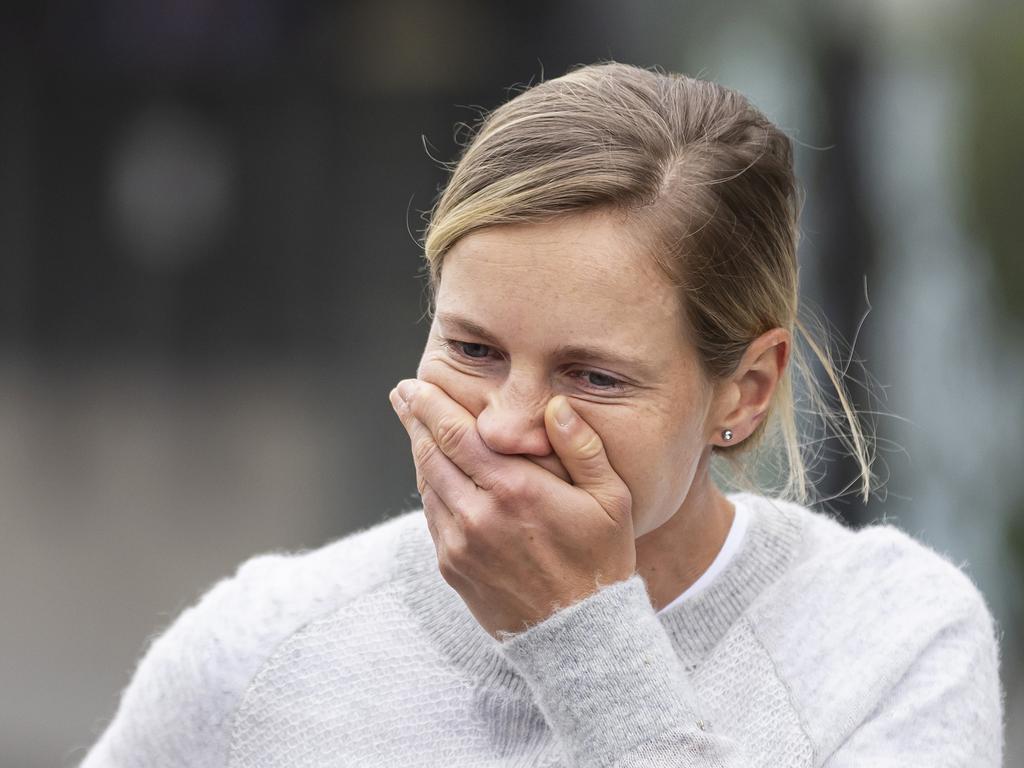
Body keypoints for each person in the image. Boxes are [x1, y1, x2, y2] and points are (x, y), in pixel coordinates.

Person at [80, 62, 1004, 767]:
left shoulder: (892, 641)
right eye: (472, 351)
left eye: (593, 376)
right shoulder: (259, 648)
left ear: (746, 390)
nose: (506, 427)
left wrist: (583, 637)